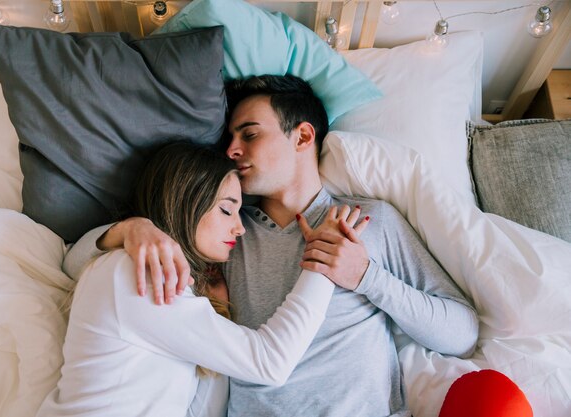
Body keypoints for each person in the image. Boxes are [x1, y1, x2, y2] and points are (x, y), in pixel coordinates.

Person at [64, 75, 479, 417]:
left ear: (302, 136)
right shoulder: (222, 233)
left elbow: (462, 334)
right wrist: (129, 229)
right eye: (230, 137)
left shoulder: (367, 222)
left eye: (250, 134)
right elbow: (76, 264)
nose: (231, 150)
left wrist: (368, 277)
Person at [40, 141, 368, 417]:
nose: (239, 228)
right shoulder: (136, 274)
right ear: (186, 202)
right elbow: (271, 363)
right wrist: (324, 258)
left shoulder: (142, 276)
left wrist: (217, 309)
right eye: (227, 210)